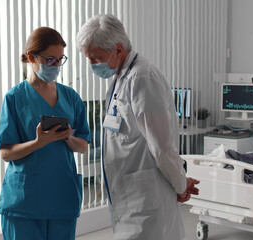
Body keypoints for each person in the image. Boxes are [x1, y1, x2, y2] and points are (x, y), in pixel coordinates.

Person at [76, 14, 199, 240]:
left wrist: (181, 185)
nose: (92, 65)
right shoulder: (120, 78)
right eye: (89, 59)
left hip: (145, 198)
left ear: (118, 49)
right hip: (129, 195)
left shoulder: (142, 77)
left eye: (96, 58)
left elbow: (162, 146)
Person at [0, 27, 90, 240]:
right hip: (24, 201)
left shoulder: (71, 97)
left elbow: (83, 146)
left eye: (60, 59)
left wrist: (66, 136)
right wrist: (39, 142)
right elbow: (6, 153)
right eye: (50, 60)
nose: (56, 66)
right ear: (32, 57)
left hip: (61, 195)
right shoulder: (14, 98)